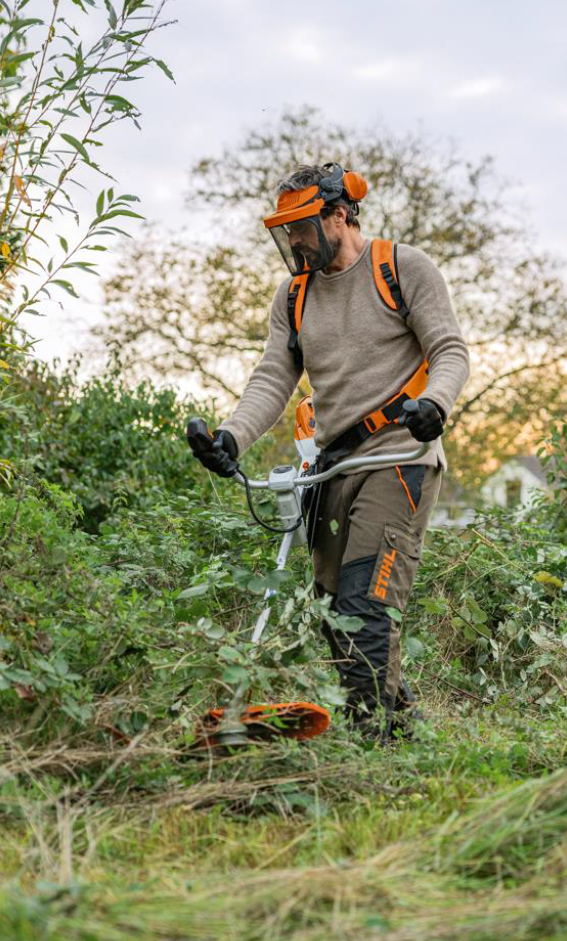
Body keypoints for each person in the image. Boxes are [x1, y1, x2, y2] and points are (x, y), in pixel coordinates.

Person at [187, 163, 470, 740]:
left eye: (300, 227)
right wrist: (231, 437)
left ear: (339, 216)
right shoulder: (294, 296)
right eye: (286, 230)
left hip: (399, 456)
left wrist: (435, 404)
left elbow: (450, 350)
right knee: (335, 615)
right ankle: (404, 732)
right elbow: (273, 376)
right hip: (333, 466)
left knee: (366, 604)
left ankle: (368, 745)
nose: (293, 240)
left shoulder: (402, 268)